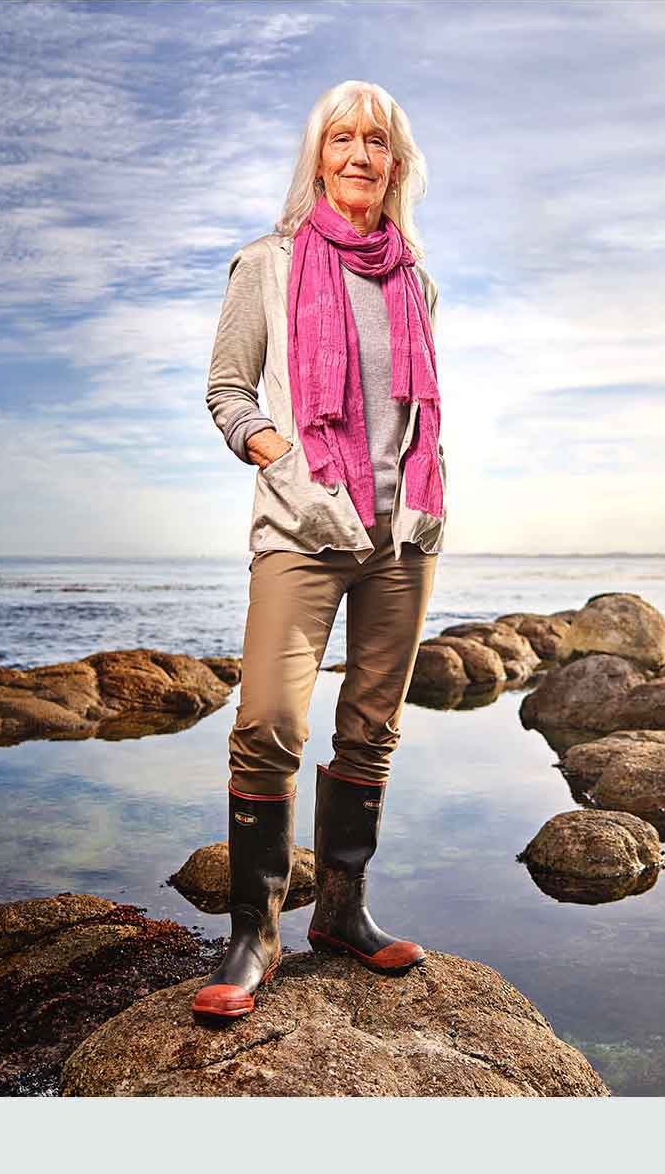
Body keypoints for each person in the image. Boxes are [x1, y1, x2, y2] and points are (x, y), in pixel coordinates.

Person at [193, 81, 449, 1020]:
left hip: (404, 534)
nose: (359, 155)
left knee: (372, 728)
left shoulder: (415, 277)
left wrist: (427, 497)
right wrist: (280, 454)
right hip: (301, 530)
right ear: (317, 158)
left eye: (377, 142)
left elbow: (418, 411)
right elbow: (228, 390)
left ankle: (342, 914)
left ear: (397, 164)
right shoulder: (266, 264)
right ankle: (253, 932)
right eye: (341, 138)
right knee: (267, 720)